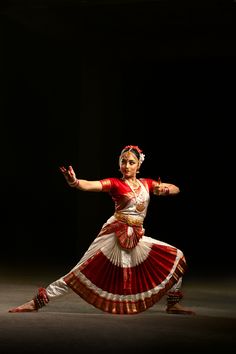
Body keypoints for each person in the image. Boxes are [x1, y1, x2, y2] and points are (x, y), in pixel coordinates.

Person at [8, 145, 195, 315]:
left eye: (131, 162)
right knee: (80, 270)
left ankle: (173, 304)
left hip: (136, 235)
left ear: (138, 166)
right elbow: (89, 185)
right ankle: (36, 303)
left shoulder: (147, 184)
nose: (127, 165)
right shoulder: (115, 183)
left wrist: (165, 189)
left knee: (176, 256)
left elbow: (176, 188)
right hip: (114, 232)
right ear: (119, 164)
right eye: (123, 161)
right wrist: (74, 181)